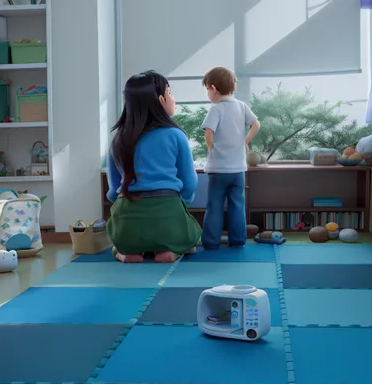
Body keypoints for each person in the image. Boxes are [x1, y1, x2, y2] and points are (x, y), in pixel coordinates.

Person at [106, 71, 201, 263]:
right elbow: (189, 182)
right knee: (191, 240)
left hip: (127, 221)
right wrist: (184, 202)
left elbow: (112, 189)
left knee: (119, 241)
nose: (173, 99)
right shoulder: (176, 135)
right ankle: (169, 252)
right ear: (161, 99)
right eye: (170, 93)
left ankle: (126, 253)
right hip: (168, 212)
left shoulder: (118, 139)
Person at [201, 67, 260, 249]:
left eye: (207, 90)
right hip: (238, 171)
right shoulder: (241, 106)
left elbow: (208, 132)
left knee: (215, 206)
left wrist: (211, 148)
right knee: (237, 205)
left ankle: (211, 242)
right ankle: (238, 240)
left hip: (218, 171)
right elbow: (256, 125)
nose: (208, 94)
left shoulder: (216, 109)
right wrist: (244, 141)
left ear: (213, 88)